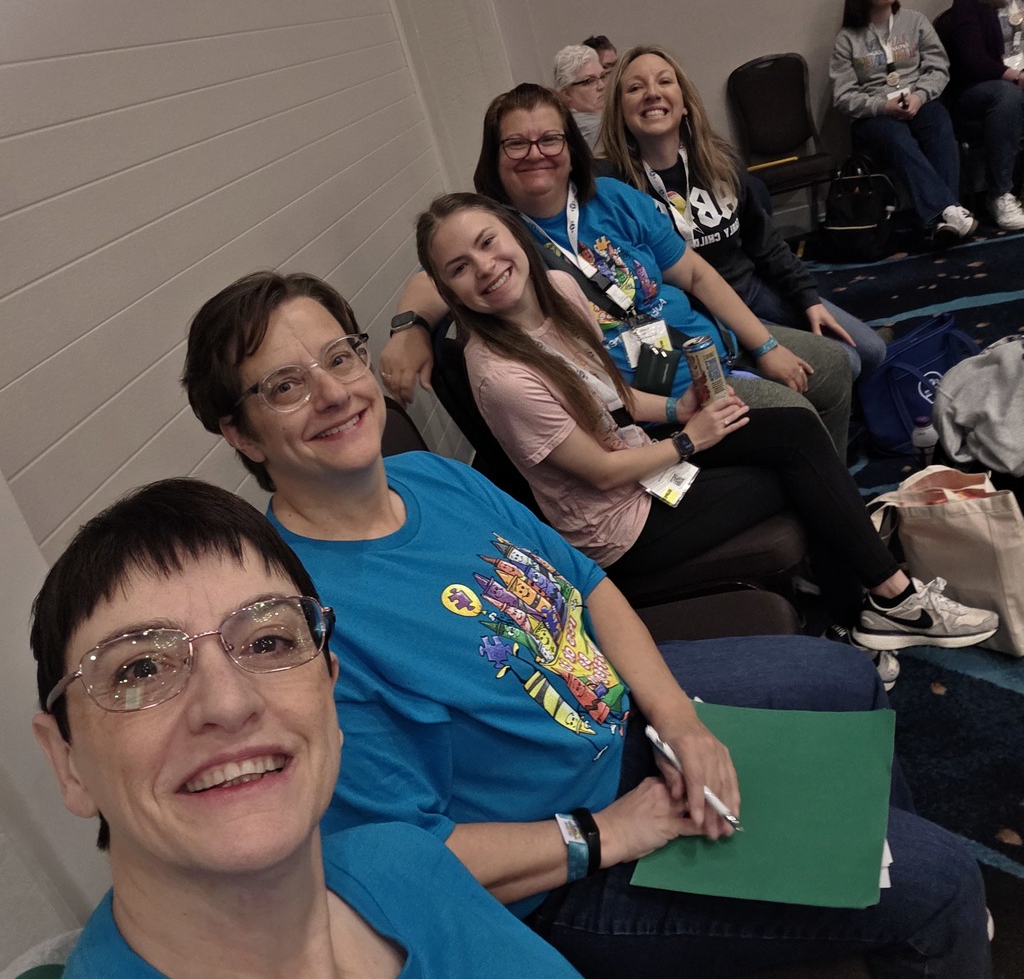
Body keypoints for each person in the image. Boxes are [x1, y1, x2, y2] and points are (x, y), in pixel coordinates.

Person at [180, 268, 993, 979]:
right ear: (241, 433)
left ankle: (882, 903)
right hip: (566, 871)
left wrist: (683, 724)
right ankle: (913, 911)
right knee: (942, 878)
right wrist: (603, 832)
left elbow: (591, 590)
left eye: (340, 356)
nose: (334, 393)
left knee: (848, 677)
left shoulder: (429, 477)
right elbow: (400, 860)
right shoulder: (295, 628)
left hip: (631, 733)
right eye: (284, 385)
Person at [29, 477, 581, 978]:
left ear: (329, 692)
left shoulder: (404, 860)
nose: (228, 702)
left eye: (268, 642)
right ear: (66, 762)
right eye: (141, 668)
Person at [415, 190, 998, 657]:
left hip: (642, 462)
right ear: (447, 290)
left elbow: (616, 399)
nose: (486, 268)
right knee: (792, 478)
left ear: (512, 234)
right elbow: (599, 472)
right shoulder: (499, 374)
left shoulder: (563, 291)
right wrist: (692, 439)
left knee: (793, 432)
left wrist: (679, 411)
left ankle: (869, 609)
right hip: (618, 526)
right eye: (460, 268)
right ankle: (886, 604)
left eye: (489, 243)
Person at [382, 82, 854, 455]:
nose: (537, 153)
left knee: (834, 366)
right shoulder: (497, 234)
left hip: (701, 344)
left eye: (550, 138)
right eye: (516, 144)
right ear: (494, 155)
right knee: (797, 416)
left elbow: (696, 275)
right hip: (651, 393)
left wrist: (766, 345)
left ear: (570, 146)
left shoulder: (613, 198)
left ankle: (824, 505)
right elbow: (434, 278)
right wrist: (409, 328)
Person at [598, 44, 886, 381]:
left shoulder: (720, 161)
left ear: (686, 102)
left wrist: (808, 299)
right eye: (635, 88)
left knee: (872, 350)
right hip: (701, 315)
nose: (652, 94)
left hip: (753, 290)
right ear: (620, 110)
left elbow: (765, 243)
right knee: (845, 363)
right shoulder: (616, 189)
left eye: (664, 82)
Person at [831, 0, 979, 243]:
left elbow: (938, 68)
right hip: (873, 116)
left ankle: (941, 222)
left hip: (917, 101)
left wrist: (919, 96)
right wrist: (880, 106)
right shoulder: (847, 40)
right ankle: (950, 210)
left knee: (939, 123)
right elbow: (843, 95)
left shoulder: (915, 22)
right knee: (898, 139)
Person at [945, 0, 1024, 230]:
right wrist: (1016, 76)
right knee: (1009, 96)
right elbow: (974, 60)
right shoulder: (969, 0)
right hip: (982, 86)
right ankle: (1000, 194)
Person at [553, 44, 607, 149]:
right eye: (589, 81)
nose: (601, 85)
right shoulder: (591, 128)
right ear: (566, 94)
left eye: (603, 76)